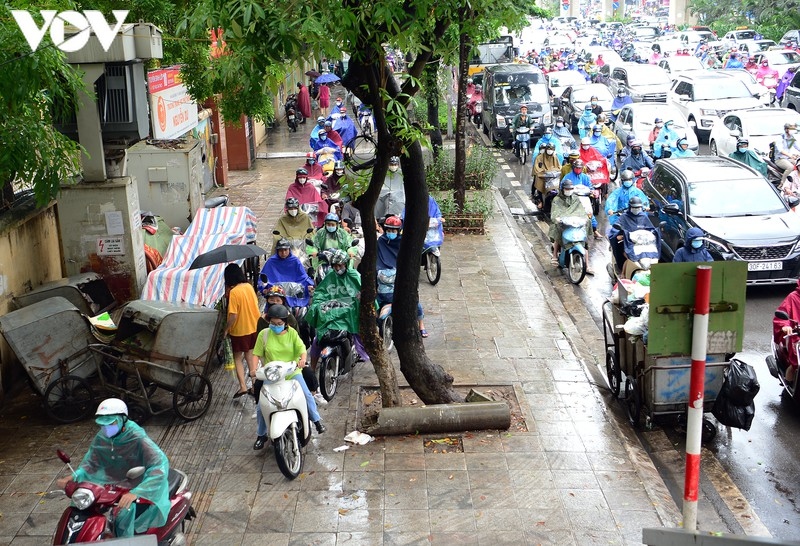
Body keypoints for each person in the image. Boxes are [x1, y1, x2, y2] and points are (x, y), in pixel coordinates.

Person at [56, 398, 170, 537]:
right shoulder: (102, 437)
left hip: (133, 485)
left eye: (111, 424)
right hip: (107, 485)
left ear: (123, 419)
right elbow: (91, 463)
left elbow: (159, 465)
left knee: (122, 516)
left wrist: (136, 492)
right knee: (80, 508)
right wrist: (73, 476)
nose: (106, 429)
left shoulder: (137, 437)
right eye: (102, 425)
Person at [252, 304, 326, 451]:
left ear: (285, 322)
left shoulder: (292, 333)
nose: (275, 326)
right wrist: (253, 369)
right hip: (272, 375)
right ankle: (261, 435)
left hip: (292, 372)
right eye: (272, 323)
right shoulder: (264, 335)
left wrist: (302, 360)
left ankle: (317, 421)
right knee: (261, 406)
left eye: (279, 324)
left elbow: (302, 349)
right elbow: (256, 354)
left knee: (306, 395)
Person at [306, 249, 369, 368]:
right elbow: (321, 292)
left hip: (349, 314)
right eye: (335, 266)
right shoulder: (330, 276)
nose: (337, 268)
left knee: (364, 337)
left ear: (345, 264)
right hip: (331, 314)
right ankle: (312, 369)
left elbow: (364, 293)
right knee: (316, 341)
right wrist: (317, 305)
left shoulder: (355, 276)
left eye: (340, 265)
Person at [376, 216, 428, 335]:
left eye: (393, 231)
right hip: (383, 277)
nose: (390, 233)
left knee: (414, 302)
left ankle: (421, 324)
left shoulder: (404, 242)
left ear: (398, 231)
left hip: (401, 276)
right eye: (388, 230)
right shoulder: (381, 241)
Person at [224, 263, 260, 398]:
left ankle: (243, 387)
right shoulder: (249, 287)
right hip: (254, 327)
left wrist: (226, 329)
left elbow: (233, 315)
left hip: (240, 331)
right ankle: (255, 383)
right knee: (250, 356)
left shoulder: (234, 292)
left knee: (237, 358)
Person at [548, 180, 593, 273]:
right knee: (557, 231)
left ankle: (587, 265)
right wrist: (557, 219)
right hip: (563, 223)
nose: (569, 190)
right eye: (567, 189)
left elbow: (581, 211)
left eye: (571, 189)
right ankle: (555, 255)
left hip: (574, 222)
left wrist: (585, 218)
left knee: (585, 239)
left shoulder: (576, 198)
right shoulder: (557, 199)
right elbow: (555, 212)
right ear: (562, 189)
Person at [258, 238, 315, 308]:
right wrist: (264, 289)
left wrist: (309, 284)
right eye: (281, 250)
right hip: (276, 293)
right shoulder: (271, 261)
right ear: (277, 251)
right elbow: (263, 278)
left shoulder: (295, 261)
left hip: (293, 293)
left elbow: (303, 276)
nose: (283, 253)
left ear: (289, 250)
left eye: (285, 250)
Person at [608, 196, 657, 275]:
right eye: (635, 207)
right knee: (630, 258)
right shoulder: (624, 217)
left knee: (652, 257)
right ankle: (623, 275)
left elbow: (650, 229)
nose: (636, 209)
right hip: (628, 245)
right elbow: (614, 232)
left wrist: (654, 234)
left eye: (638, 207)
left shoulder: (643, 217)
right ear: (630, 207)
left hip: (643, 246)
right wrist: (619, 236)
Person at [774, 280, 800, 382]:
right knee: (796, 364)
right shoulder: (793, 297)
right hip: (797, 336)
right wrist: (785, 326)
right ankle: (789, 384)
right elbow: (782, 315)